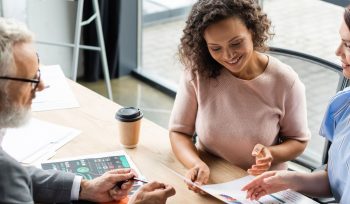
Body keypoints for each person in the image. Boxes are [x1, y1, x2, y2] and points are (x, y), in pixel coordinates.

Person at [0, 17, 175, 203]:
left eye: (39, 72)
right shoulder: (7, 173)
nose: (42, 86)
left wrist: (84, 188)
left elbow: (18, 175)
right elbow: (10, 176)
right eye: (32, 78)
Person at [169, 0, 310, 193]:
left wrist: (271, 153)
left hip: (262, 185)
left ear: (252, 31)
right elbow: (179, 132)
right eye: (215, 48)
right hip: (212, 177)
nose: (228, 55)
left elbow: (299, 140)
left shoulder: (285, 81)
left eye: (236, 43)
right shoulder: (197, 72)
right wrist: (196, 164)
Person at [242, 5, 350, 204]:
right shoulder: (344, 106)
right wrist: (288, 180)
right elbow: (335, 182)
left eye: (348, 44)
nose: (337, 51)